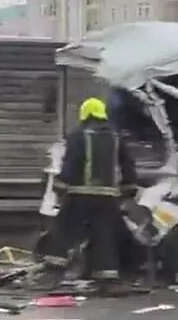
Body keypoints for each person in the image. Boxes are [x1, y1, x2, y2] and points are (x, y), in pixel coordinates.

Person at [40, 97, 137, 289]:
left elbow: (71, 162)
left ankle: (53, 270)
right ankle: (107, 275)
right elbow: (127, 165)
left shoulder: (78, 136)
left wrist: (60, 185)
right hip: (108, 196)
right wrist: (128, 188)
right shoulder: (116, 137)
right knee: (104, 234)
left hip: (80, 194)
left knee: (64, 229)